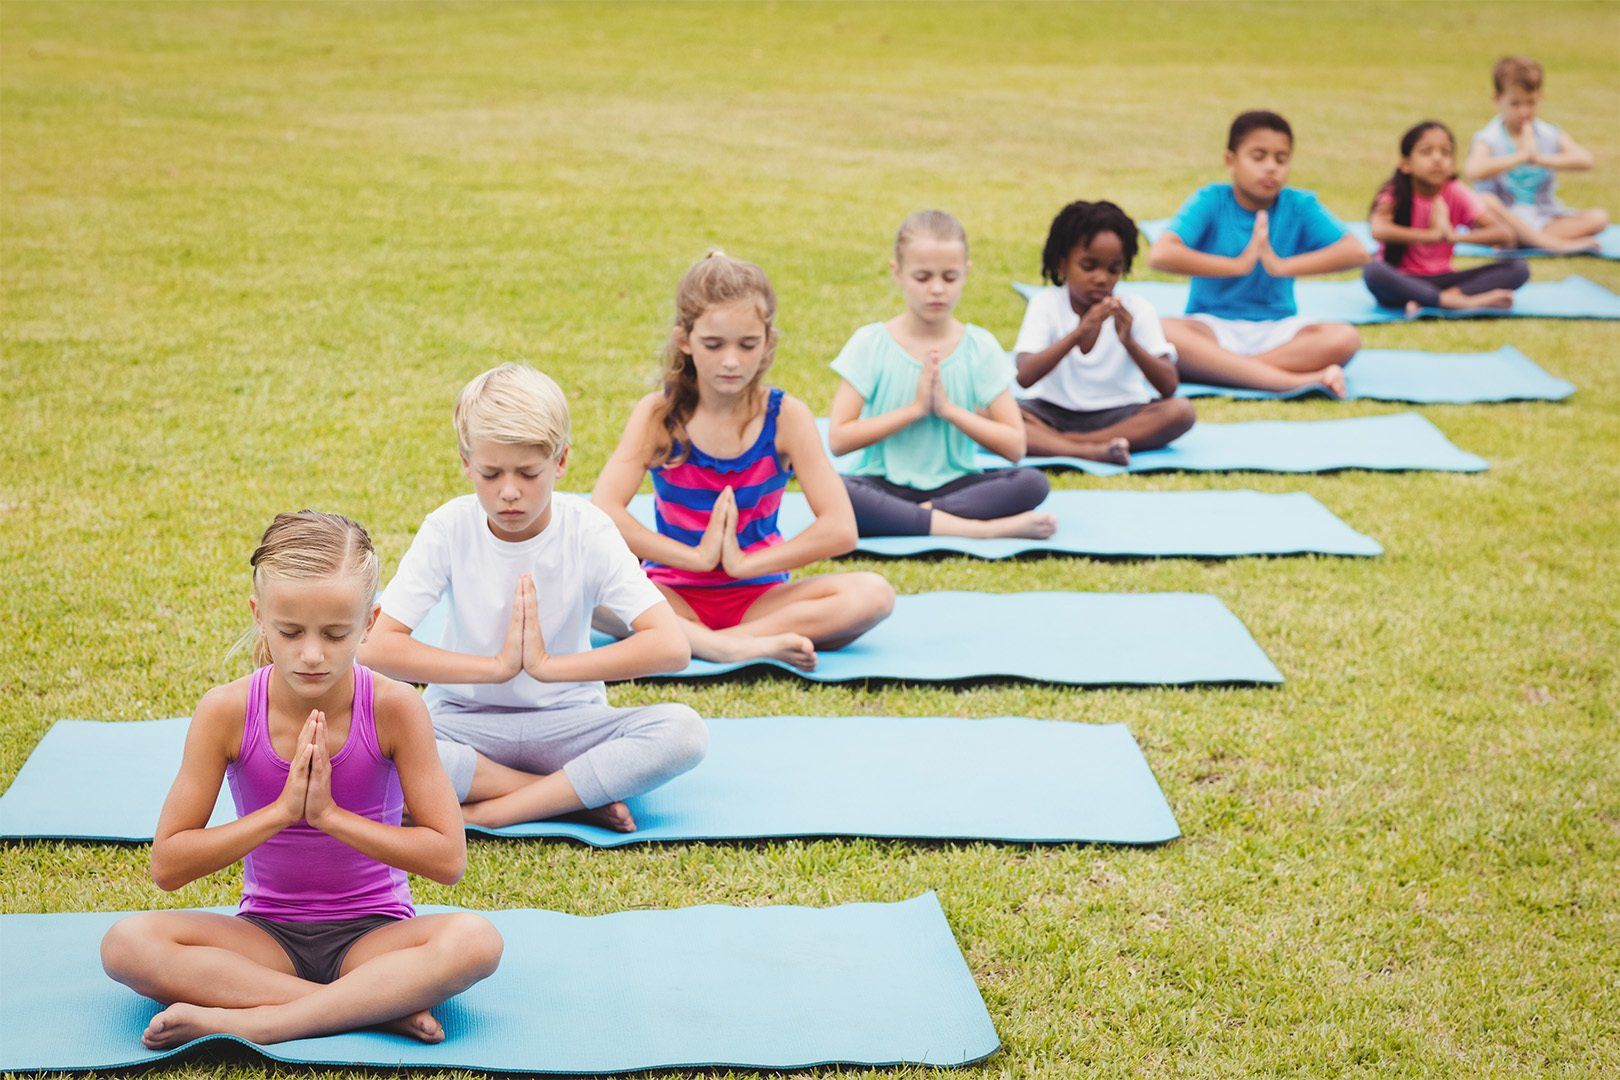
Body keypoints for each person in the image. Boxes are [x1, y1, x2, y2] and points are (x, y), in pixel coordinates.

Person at [99, 511, 502, 1050]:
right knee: (127, 943)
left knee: (477, 940)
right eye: (290, 632)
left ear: (370, 622)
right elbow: (169, 864)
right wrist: (281, 814)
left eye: (336, 634)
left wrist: (331, 818)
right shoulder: (225, 711)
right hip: (265, 936)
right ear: (259, 617)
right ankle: (370, 1006)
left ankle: (261, 1020)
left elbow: (447, 860)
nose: (312, 654)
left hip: (376, 935)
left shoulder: (396, 707)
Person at [359, 363, 705, 833]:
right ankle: (567, 797)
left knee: (683, 732)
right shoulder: (449, 527)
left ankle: (490, 810)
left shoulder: (588, 529)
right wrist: (496, 669)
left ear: (560, 461)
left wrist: (545, 667)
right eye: (490, 472)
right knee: (359, 737)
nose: (508, 492)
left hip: (568, 724)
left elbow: (670, 646)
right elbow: (378, 647)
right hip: (463, 725)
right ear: (466, 462)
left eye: (528, 473)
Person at [593, 251, 895, 672]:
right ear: (685, 340)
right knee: (579, 588)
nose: (732, 361)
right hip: (671, 594)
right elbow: (603, 512)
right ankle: (731, 647)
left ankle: (704, 643)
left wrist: (744, 564)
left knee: (873, 593)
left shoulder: (787, 417)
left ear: (767, 342)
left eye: (747, 344)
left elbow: (840, 529)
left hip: (763, 600)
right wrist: (695, 559)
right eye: (713, 345)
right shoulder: (657, 415)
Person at [826, 210, 1054, 537]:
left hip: (957, 489)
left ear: (966, 273)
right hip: (884, 484)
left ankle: (909, 519)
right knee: (834, 489)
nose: (937, 289)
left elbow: (1014, 446)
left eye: (949, 277)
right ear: (898, 273)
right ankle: (980, 530)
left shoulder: (980, 347)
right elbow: (839, 440)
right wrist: (915, 410)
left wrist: (948, 411)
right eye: (922, 277)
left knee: (1033, 483)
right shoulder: (870, 343)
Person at [1147, 110, 1369, 398]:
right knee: (1158, 329)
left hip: (1279, 332)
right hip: (1210, 330)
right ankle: (1290, 379)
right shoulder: (1211, 200)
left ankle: (1224, 372)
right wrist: (1237, 265)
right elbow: (1161, 254)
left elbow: (1356, 252)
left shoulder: (1298, 204)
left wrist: (1281, 266)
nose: (1271, 168)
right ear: (1231, 161)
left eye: (1281, 159)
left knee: (1344, 338)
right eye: (1258, 156)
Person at [1012, 200, 1196, 463]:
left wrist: (1129, 341)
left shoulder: (1137, 309)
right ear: (1062, 264)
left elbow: (1168, 387)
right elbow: (1024, 376)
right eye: (1088, 266)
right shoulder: (1046, 304)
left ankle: (1065, 446)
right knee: (986, 411)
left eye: (1113, 269)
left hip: (1119, 414)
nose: (1102, 278)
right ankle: (1091, 450)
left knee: (1181, 412)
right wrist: (1077, 335)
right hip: (1052, 412)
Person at [1364, 121, 1527, 315]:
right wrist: (1432, 235)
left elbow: (1504, 234)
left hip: (1443, 279)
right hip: (1402, 281)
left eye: (1445, 153)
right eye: (1426, 152)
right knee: (1373, 271)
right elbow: (1378, 230)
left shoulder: (1456, 192)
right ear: (1406, 164)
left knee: (1518, 267)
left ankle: (1445, 298)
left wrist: (1452, 236)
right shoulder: (1395, 193)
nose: (1437, 159)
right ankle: (1458, 302)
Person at [1465, 56, 1606, 252]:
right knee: (1484, 201)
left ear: (1540, 97)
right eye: (1515, 104)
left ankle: (1519, 240)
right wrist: (1519, 157)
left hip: (1542, 217)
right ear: (1497, 99)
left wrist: (1539, 159)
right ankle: (1552, 244)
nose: (1524, 111)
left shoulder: (1547, 133)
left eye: (1530, 103)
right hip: (1501, 216)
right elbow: (1473, 170)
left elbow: (1585, 160)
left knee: (1598, 217)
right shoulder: (1489, 136)